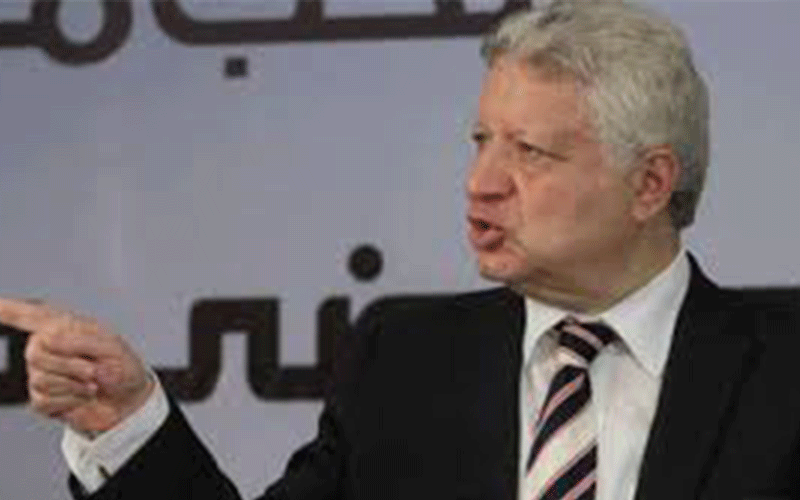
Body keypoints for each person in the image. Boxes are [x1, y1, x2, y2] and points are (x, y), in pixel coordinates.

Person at [2, 1, 799, 499]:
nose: (481, 183)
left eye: (530, 153)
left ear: (649, 183)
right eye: (481, 142)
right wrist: (128, 421)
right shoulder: (407, 361)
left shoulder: (784, 368)